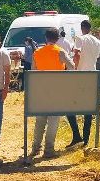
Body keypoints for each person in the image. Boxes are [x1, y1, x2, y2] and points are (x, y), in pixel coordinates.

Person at [27, 27, 75, 161]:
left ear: (46, 38)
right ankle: (48, 149)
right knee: (53, 120)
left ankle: (35, 148)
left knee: (40, 120)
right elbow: (72, 66)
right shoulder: (60, 52)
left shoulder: (37, 52)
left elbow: (33, 71)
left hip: (41, 90)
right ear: (58, 38)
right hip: (57, 90)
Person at [67, 19, 100, 148]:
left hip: (81, 75)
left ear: (82, 28)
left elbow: (77, 54)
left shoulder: (79, 39)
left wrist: (75, 68)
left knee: (69, 106)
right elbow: (96, 57)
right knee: (88, 108)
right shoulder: (97, 41)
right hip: (92, 75)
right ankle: (86, 138)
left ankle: (77, 135)